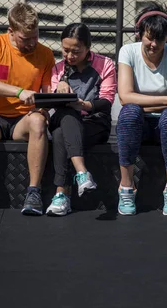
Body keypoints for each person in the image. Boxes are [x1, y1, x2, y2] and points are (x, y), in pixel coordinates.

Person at [0, 2, 55, 215]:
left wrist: (44, 108)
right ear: (11, 32)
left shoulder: (46, 54)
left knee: (39, 120)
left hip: (24, 120)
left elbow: (46, 93)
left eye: (36, 36)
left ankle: (34, 191)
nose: (32, 43)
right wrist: (18, 92)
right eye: (26, 39)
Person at [116, 3, 167, 216]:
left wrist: (166, 102)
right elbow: (125, 97)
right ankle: (126, 187)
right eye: (149, 37)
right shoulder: (127, 51)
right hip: (138, 120)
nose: (154, 44)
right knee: (130, 113)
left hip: (164, 123)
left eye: (160, 39)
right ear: (140, 33)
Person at [46, 23, 117, 216]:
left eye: (76, 51)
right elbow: (49, 102)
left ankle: (61, 194)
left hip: (95, 122)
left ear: (88, 48)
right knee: (67, 116)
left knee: (62, 132)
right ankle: (82, 173)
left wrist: (85, 105)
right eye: (65, 50)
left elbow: (107, 101)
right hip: (66, 117)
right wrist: (58, 91)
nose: (69, 56)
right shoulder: (58, 69)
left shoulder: (105, 64)